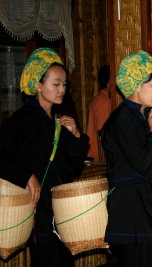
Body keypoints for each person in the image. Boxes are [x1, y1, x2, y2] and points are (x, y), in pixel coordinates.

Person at [0, 47, 89, 266]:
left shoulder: (60, 122)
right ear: (39, 86)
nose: (62, 89)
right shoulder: (22, 120)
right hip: (39, 209)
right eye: (56, 84)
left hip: (62, 211)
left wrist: (77, 136)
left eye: (65, 84)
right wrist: (26, 176)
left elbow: (74, 169)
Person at [101, 51, 152, 267]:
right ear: (136, 85)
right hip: (131, 218)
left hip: (148, 213)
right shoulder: (121, 119)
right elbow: (141, 163)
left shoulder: (145, 117)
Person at [87, 65, 112, 162]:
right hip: (100, 157)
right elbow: (102, 132)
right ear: (109, 82)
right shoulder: (104, 101)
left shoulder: (99, 98)